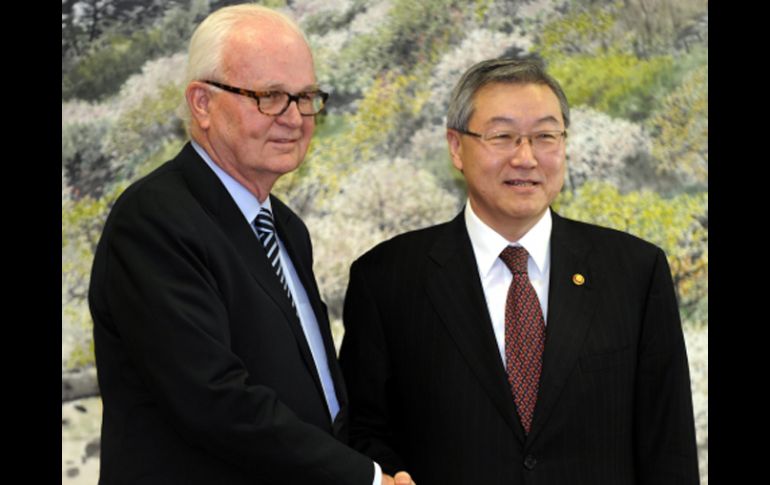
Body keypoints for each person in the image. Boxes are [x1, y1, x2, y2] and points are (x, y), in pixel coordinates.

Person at [88, 4, 413, 485]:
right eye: (270, 97)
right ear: (202, 103)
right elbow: (214, 400)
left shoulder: (286, 227)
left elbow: (315, 394)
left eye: (305, 97)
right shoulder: (155, 219)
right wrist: (363, 478)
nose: (295, 118)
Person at [338, 57, 700, 485]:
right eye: (502, 136)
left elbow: (668, 446)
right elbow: (362, 431)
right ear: (456, 146)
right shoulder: (386, 279)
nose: (525, 158)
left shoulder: (635, 272)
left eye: (545, 136)